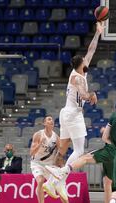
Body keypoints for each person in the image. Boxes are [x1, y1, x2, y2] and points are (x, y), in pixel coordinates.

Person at [44, 21, 105, 198]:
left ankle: (56, 183)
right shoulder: (76, 78)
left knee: (63, 149)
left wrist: (97, 33)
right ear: (80, 65)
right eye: (85, 62)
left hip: (67, 113)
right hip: (73, 114)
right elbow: (85, 95)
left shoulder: (81, 72)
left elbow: (91, 50)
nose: (88, 62)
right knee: (79, 151)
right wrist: (92, 94)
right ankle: (58, 176)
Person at [45, 126, 115, 203]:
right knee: (107, 181)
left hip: (111, 150)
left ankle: (61, 172)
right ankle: (56, 180)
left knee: (84, 157)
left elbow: (104, 137)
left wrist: (106, 132)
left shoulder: (115, 118)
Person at [29, 115, 67, 203]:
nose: (52, 121)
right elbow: (31, 153)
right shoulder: (38, 134)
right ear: (44, 123)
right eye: (49, 119)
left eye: (52, 120)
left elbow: (61, 153)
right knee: (40, 181)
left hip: (50, 164)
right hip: (37, 163)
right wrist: (40, 144)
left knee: (59, 185)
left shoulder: (56, 137)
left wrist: (61, 165)